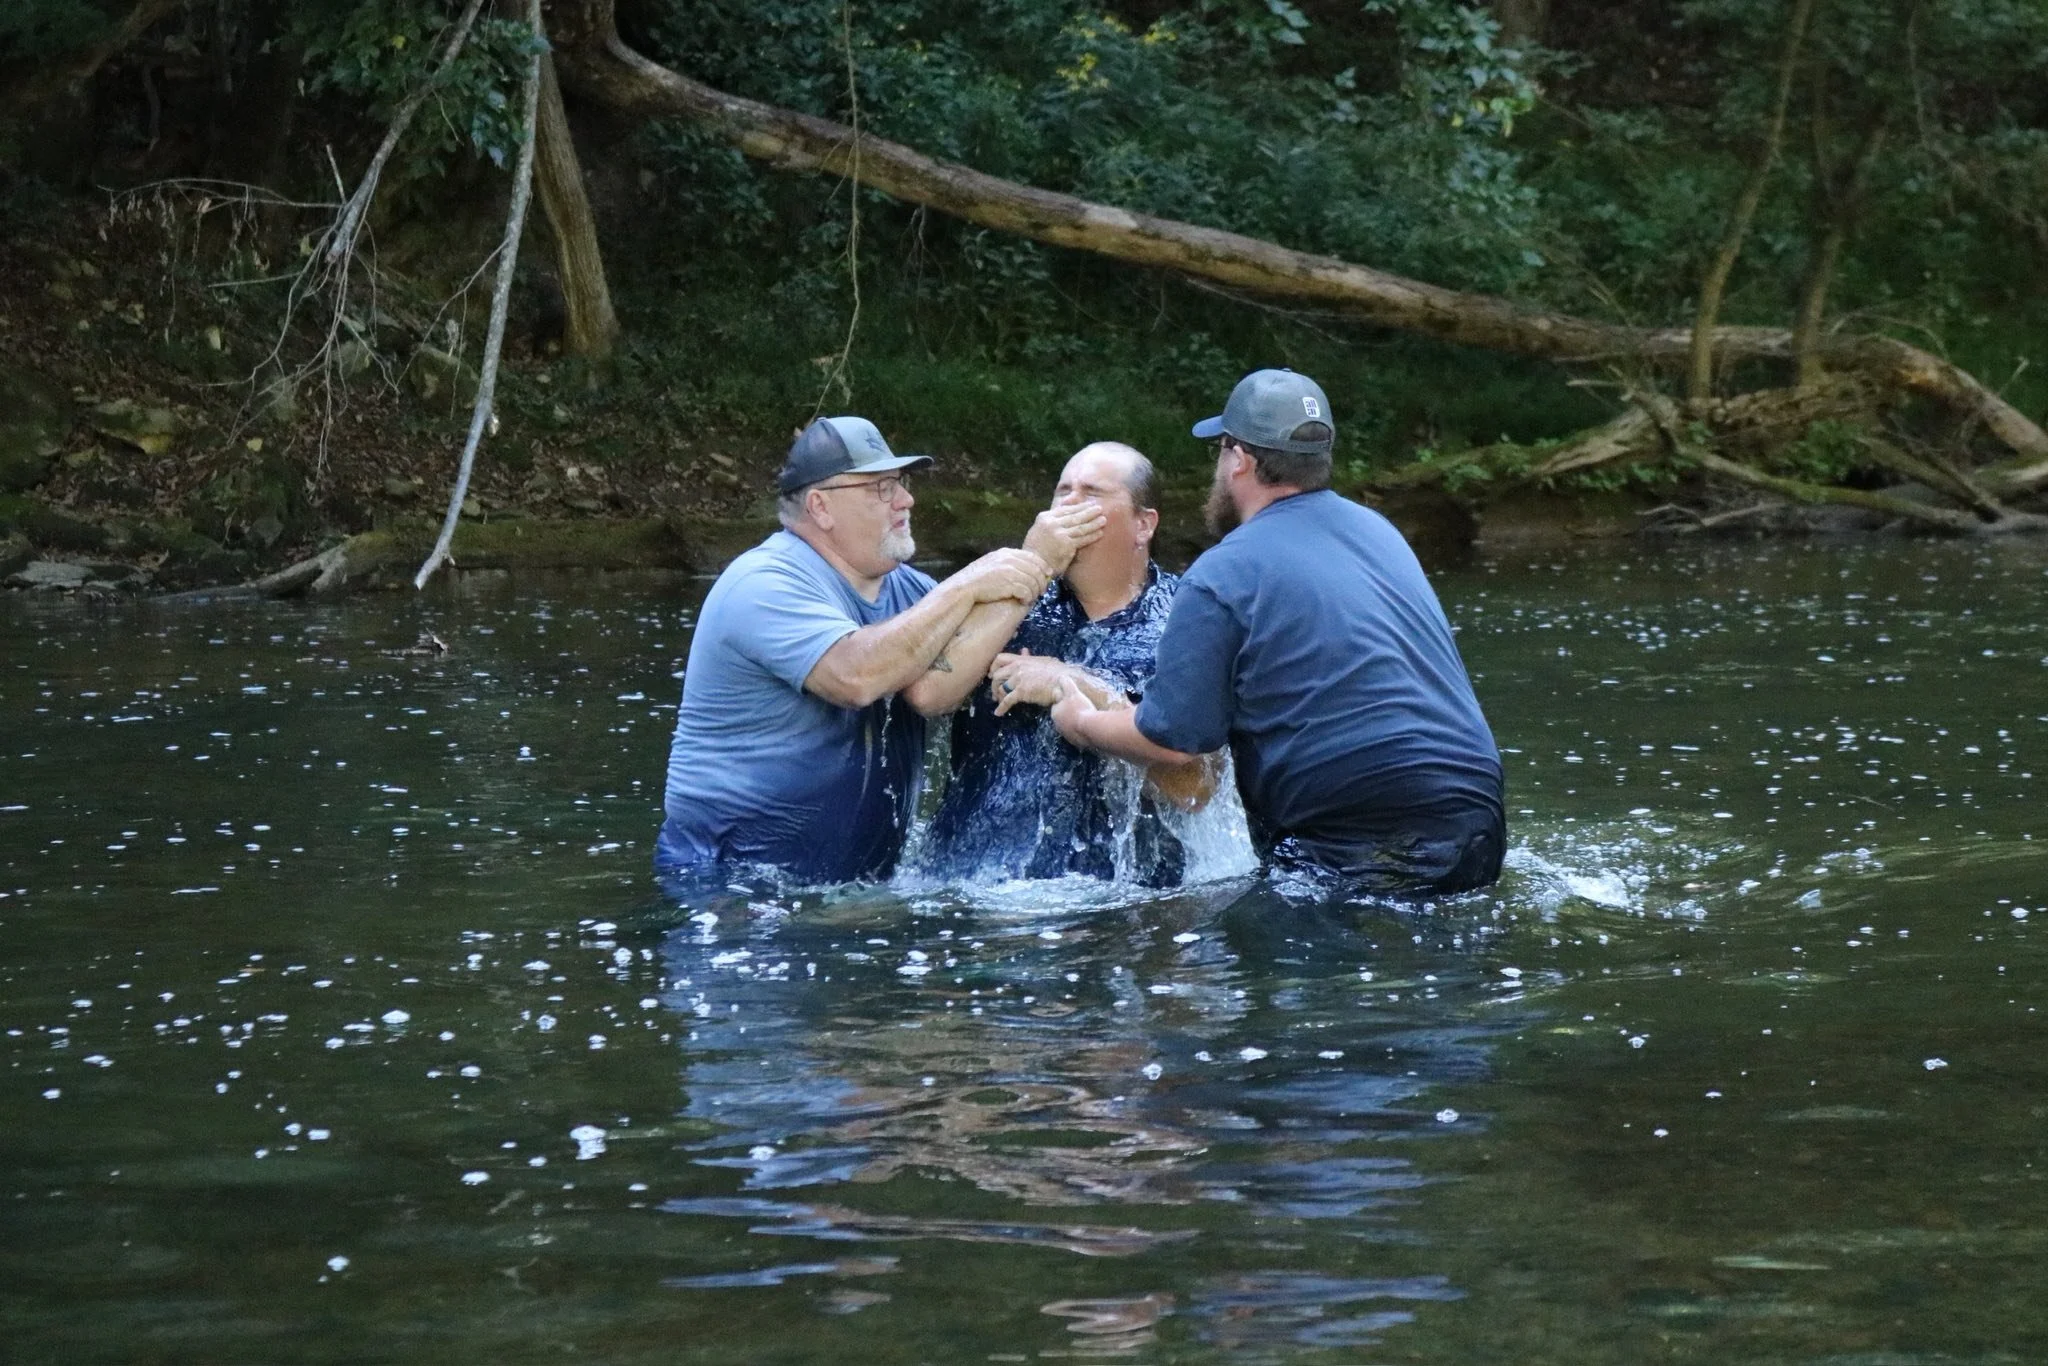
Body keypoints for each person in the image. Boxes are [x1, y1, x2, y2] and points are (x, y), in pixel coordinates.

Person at [1050, 370, 1506, 895]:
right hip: (1477, 812)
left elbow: (1171, 742)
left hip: (1357, 831)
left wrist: (1081, 718)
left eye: (1221, 452)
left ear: (1239, 459)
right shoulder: (1380, 534)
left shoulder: (1223, 573)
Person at [657, 415, 1104, 885]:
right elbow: (857, 677)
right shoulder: (763, 583)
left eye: (902, 483)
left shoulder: (911, 591)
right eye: (882, 487)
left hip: (852, 893)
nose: (906, 499)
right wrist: (974, 581)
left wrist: (1031, 588)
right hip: (728, 887)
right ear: (821, 506)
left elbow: (932, 692)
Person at [920, 442, 1209, 885]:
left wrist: (1072, 682)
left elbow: (1197, 786)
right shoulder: (1008, 602)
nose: (1068, 505)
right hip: (964, 885)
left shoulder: (1189, 619)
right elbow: (929, 695)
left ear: (1143, 525)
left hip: (1122, 900)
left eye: (1091, 493)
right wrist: (1032, 568)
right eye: (1062, 492)